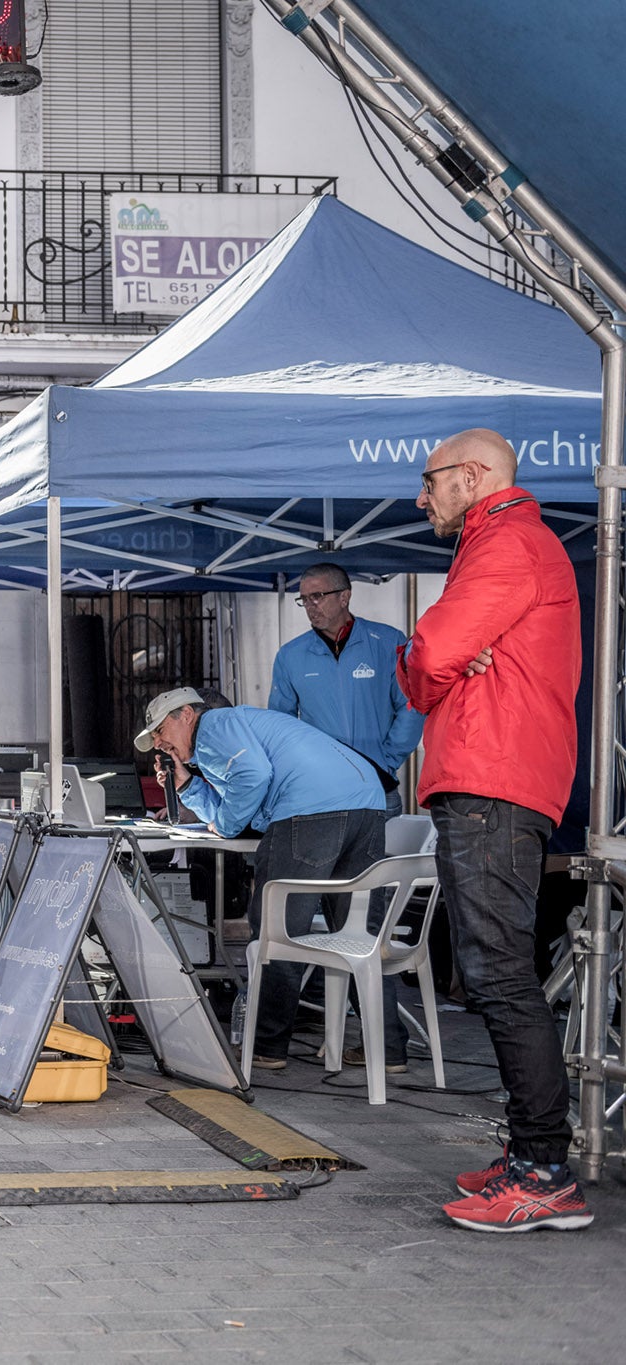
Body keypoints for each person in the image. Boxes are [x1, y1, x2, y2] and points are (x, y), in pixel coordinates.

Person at [398, 429, 591, 1233]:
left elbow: (432, 650)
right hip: (496, 778)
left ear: (474, 476)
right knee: (496, 969)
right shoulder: (506, 542)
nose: (423, 495)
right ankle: (530, 1157)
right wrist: (444, 664)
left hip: (493, 781)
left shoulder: (508, 542)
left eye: (432, 479)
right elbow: (447, 655)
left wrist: (428, 668)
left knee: (501, 973)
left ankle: (545, 1172)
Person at [136, 688, 393, 1075]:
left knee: (278, 933)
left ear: (186, 714)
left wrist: (222, 824)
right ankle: (390, 1050)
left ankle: (269, 1047)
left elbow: (251, 781)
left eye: (159, 730)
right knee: (360, 936)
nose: (158, 742)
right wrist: (187, 784)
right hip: (368, 804)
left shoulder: (215, 724)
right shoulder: (237, 731)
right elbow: (241, 797)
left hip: (311, 810)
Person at [268, 562, 423, 816]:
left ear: (344, 596)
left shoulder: (388, 641)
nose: (310, 606)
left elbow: (411, 706)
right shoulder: (290, 655)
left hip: (378, 787)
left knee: (382, 857)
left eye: (317, 596)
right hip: (321, 790)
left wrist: (388, 759)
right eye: (304, 599)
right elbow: (279, 725)